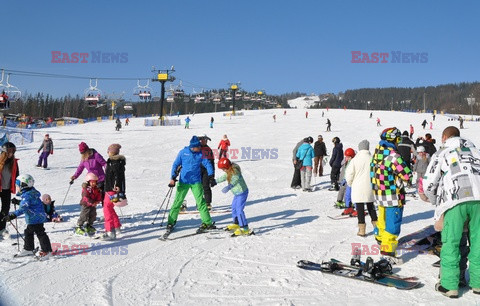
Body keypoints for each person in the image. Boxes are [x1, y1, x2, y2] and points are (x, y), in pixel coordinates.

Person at [423, 126, 480, 298]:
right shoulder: (475, 150)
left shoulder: (442, 151)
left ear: (444, 137)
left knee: (452, 242)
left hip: (455, 199)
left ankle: (449, 285)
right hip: (479, 199)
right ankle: (478, 283)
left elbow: (429, 183)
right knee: (478, 242)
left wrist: (435, 202)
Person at [371, 127, 412, 262]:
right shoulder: (393, 156)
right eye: (398, 139)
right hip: (392, 195)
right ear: (393, 139)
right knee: (392, 223)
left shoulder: (377, 153)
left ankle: (381, 241)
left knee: (382, 220)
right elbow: (407, 174)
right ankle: (388, 252)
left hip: (379, 193)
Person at [166, 136, 217, 233]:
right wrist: (172, 177)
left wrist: (211, 176)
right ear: (193, 147)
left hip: (196, 182)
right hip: (183, 181)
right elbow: (175, 164)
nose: (200, 148)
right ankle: (171, 222)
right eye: (198, 147)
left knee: (201, 203)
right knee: (177, 202)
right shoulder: (183, 152)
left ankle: (207, 222)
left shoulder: (201, 153)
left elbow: (207, 164)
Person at [3, 174, 52, 258]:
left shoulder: (27, 196)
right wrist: (18, 202)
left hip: (34, 218)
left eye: (17, 186)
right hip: (37, 217)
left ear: (23, 185)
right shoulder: (31, 192)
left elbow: (23, 208)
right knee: (30, 232)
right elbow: (30, 204)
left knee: (39, 233)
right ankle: (29, 249)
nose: (16, 187)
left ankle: (46, 251)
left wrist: (12, 215)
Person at [346, 140, 377, 236]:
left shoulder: (355, 160)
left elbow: (349, 174)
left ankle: (362, 230)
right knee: (371, 207)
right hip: (370, 186)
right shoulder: (372, 159)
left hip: (358, 187)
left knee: (359, 208)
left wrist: (350, 183)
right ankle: (377, 228)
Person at [216, 158, 252, 236]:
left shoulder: (235, 171)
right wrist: (215, 181)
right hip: (237, 193)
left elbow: (235, 179)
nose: (223, 170)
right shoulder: (229, 170)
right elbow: (224, 177)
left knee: (239, 210)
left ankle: (244, 228)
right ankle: (236, 223)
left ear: (227, 166)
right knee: (234, 207)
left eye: (223, 168)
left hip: (242, 192)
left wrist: (229, 186)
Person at [102, 144, 126, 240]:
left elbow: (117, 176)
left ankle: (110, 231)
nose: (107, 152)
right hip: (111, 188)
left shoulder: (114, 162)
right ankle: (116, 226)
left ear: (112, 152)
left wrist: (117, 185)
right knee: (110, 208)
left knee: (107, 209)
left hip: (112, 189)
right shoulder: (116, 161)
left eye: (108, 150)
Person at [0, 142, 19, 239]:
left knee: (5, 210)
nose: (11, 153)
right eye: (9, 151)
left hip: (7, 189)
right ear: (4, 152)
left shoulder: (14, 162)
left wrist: (19, 186)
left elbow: (17, 176)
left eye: (13, 151)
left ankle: (2, 229)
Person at [337, 148, 356, 215]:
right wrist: (344, 179)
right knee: (347, 195)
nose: (346, 158)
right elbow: (345, 172)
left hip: (351, 181)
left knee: (352, 194)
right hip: (346, 180)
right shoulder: (346, 162)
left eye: (348, 157)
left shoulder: (354, 162)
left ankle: (356, 208)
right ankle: (348, 207)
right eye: (346, 157)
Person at [199, 136, 215, 210]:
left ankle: (208, 203)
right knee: (198, 187)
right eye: (201, 140)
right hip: (197, 170)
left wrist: (212, 175)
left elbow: (211, 162)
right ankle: (199, 202)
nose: (202, 141)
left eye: (204, 140)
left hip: (206, 170)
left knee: (206, 185)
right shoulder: (196, 148)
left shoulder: (208, 149)